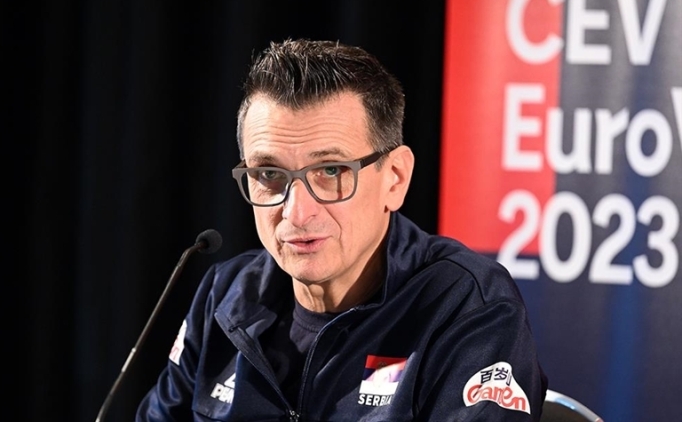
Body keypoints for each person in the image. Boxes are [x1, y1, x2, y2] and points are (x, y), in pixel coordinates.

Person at [136, 38, 548, 421]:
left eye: (330, 171)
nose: (296, 212)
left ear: (395, 179)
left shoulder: (467, 306)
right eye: (269, 174)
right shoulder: (225, 295)